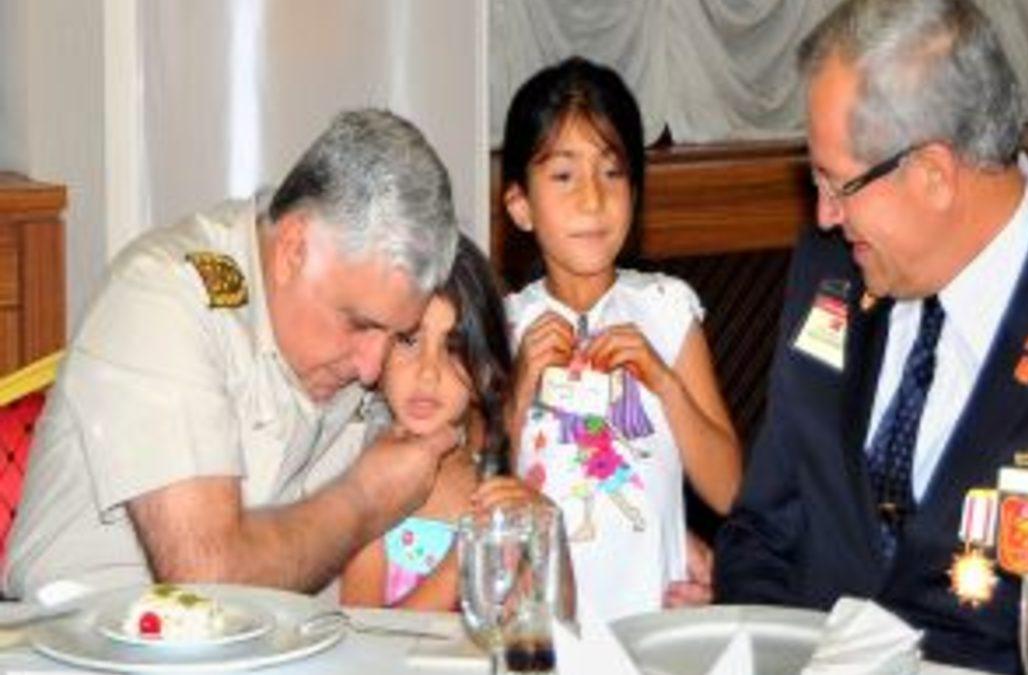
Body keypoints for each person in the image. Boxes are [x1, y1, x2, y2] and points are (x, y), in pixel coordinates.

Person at [713, 0, 1028, 672]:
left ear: (934, 174)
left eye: (836, 182)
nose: (824, 214)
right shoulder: (833, 275)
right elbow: (763, 530)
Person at [3, 109, 463, 599]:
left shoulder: (353, 320)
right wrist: (365, 501)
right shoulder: (163, 296)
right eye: (359, 324)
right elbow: (206, 578)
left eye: (398, 336)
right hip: (76, 632)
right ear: (293, 248)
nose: (371, 368)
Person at [500, 57, 742, 622]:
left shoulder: (666, 309)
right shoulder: (506, 326)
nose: (592, 199)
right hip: (544, 629)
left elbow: (731, 492)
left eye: (612, 172)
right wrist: (520, 389)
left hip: (654, 625)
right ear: (520, 205)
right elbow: (481, 493)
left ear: (635, 190)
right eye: (564, 175)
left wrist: (665, 382)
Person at [340, 236, 542, 609]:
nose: (428, 373)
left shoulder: (494, 491)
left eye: (453, 348)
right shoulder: (371, 487)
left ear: (484, 371)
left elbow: (536, 623)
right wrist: (458, 565)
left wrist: (543, 534)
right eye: (409, 340)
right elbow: (363, 633)